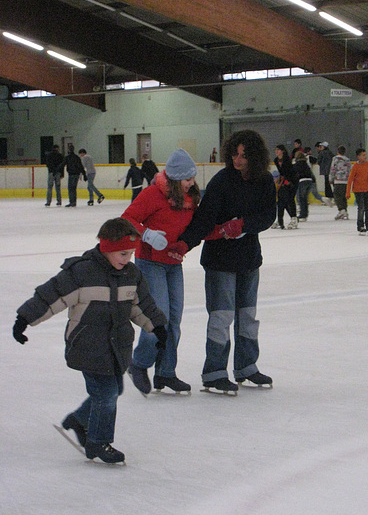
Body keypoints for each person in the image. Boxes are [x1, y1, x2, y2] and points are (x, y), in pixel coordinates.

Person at [12, 218, 168, 464]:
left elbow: (141, 306)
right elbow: (51, 296)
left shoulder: (131, 274)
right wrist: (24, 319)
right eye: (122, 253)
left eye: (131, 253)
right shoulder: (82, 272)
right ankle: (97, 443)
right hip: (88, 345)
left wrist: (157, 327)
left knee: (112, 390)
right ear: (106, 248)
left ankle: (79, 420)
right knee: (106, 393)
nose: (127, 258)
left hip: (117, 346)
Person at [168, 130, 276, 394]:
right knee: (221, 317)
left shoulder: (263, 181)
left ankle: (246, 367)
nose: (238, 160)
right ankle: (214, 372)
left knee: (247, 316)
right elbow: (204, 219)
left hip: (249, 259)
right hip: (220, 261)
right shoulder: (222, 181)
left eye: (244, 155)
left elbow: (268, 215)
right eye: (235, 154)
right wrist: (185, 243)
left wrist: (245, 225)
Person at [121, 149, 200, 395]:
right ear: (175, 179)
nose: (192, 183)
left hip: (174, 264)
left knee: (174, 320)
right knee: (159, 317)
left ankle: (166, 372)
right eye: (187, 179)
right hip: (151, 263)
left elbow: (199, 227)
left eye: (193, 177)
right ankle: (139, 363)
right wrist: (146, 234)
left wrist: (228, 230)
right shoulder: (152, 194)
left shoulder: (189, 198)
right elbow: (126, 219)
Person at [346, 148, 368, 235]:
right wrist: (347, 192)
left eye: (365, 154)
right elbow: (350, 180)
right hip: (358, 190)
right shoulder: (355, 167)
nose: (365, 156)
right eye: (363, 155)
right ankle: (360, 226)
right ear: (358, 156)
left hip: (366, 189)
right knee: (361, 208)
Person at [273, 144, 298, 229]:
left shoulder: (287, 160)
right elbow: (282, 172)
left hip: (292, 181)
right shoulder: (276, 160)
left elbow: (290, 172)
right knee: (282, 200)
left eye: (278, 149)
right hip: (284, 181)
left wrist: (288, 181)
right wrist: (280, 180)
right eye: (276, 149)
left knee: (290, 199)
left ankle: (294, 218)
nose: (276, 151)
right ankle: (280, 219)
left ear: (282, 151)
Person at [329, 145, 351, 219]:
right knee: (344, 196)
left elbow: (333, 169)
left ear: (337, 151)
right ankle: (345, 210)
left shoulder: (335, 159)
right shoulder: (347, 160)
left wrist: (331, 179)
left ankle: (341, 210)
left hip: (338, 180)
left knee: (337, 196)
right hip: (345, 181)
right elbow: (349, 170)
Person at [293, 151, 315, 221]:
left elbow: (294, 173)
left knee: (301, 198)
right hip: (309, 181)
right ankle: (305, 214)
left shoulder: (297, 164)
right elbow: (311, 173)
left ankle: (303, 214)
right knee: (305, 198)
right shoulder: (306, 164)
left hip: (302, 181)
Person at [315, 141, 334, 206]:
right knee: (329, 183)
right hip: (330, 170)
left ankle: (329, 196)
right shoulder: (330, 153)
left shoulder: (322, 153)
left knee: (326, 184)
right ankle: (331, 196)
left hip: (325, 170)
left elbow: (318, 161)